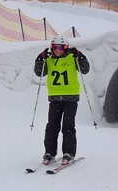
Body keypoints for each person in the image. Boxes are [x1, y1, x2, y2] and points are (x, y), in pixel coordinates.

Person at [34, 35, 90, 165]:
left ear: (65, 48)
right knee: (52, 126)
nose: (57, 50)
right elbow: (39, 73)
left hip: (71, 97)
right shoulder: (49, 60)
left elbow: (85, 70)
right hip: (55, 98)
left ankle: (68, 153)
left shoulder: (72, 58)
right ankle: (49, 153)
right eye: (54, 47)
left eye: (59, 47)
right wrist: (40, 59)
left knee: (68, 126)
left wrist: (80, 56)